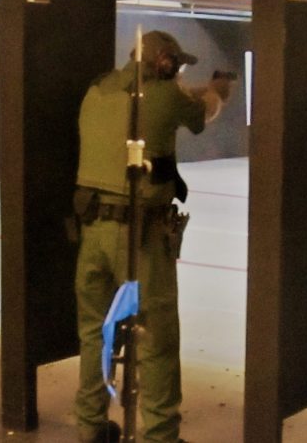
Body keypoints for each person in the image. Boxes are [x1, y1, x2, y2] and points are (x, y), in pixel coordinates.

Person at [72, 30, 232, 443]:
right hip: (139, 236)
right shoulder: (163, 95)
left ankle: (90, 424)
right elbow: (203, 112)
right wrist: (218, 91)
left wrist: (187, 87)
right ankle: (160, 433)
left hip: (91, 229)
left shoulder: (98, 91)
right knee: (156, 334)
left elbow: (164, 97)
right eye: (175, 65)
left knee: (94, 331)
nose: (177, 72)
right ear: (162, 61)